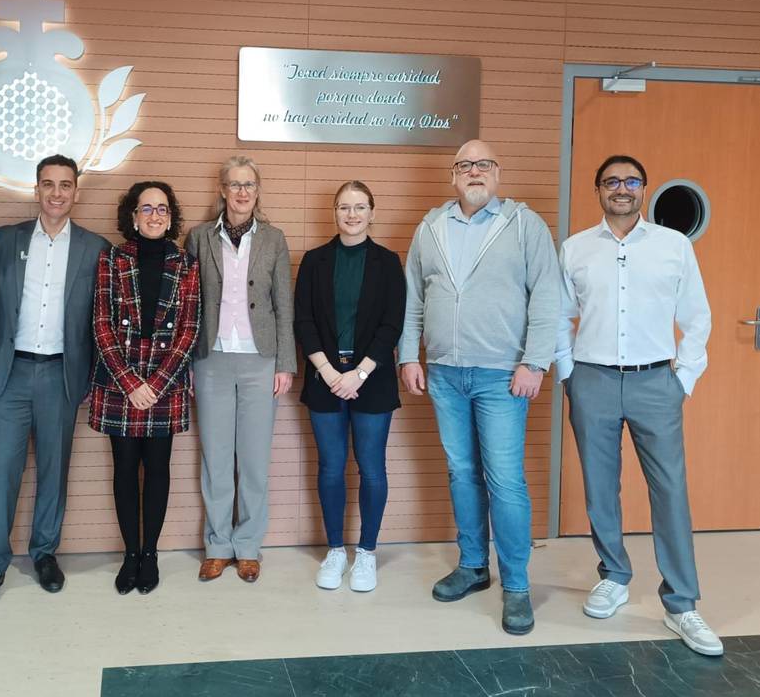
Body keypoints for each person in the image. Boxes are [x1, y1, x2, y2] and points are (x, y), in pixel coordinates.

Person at [556, 154, 721, 656]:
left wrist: (683, 379)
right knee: (600, 487)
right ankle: (614, 575)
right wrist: (568, 374)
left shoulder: (673, 246)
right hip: (593, 380)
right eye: (611, 182)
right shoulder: (575, 248)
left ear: (644, 188)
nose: (621, 189)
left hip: (656, 382)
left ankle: (682, 602)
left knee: (670, 490)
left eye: (630, 181)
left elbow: (698, 317)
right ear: (598, 190)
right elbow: (560, 316)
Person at [398, 139, 559, 635]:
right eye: (465, 165)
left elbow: (547, 296)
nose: (474, 172)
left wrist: (534, 363)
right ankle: (473, 566)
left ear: (498, 172)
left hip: (502, 376)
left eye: (484, 164)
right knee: (462, 472)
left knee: (505, 480)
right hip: (445, 373)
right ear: (453, 177)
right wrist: (408, 354)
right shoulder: (431, 227)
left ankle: (516, 585)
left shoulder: (524, 224)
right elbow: (413, 299)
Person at [0, 155, 109, 609]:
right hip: (10, 374)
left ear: (75, 191)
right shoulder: (6, 240)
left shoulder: (95, 247)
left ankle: (44, 553)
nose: (56, 193)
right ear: (36, 189)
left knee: (54, 469)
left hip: (60, 375)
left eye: (65, 185)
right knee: (2, 472)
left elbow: (99, 319)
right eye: (47, 184)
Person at [185, 156, 296, 584]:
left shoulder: (274, 239)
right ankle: (217, 546)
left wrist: (285, 363)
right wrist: (189, 363)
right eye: (234, 184)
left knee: (253, 460)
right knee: (215, 459)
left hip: (259, 360)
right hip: (210, 359)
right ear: (222, 190)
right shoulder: (198, 238)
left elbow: (284, 306)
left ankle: (248, 547)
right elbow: (189, 302)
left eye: (249, 184)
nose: (242, 192)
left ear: (258, 190)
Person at [89, 181, 201, 595]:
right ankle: (129, 554)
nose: (155, 216)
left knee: (157, 471)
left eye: (163, 209)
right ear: (132, 216)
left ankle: (150, 554)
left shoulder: (186, 263)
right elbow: (100, 324)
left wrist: (154, 384)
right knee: (123, 471)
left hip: (163, 387)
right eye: (147, 208)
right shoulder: (111, 259)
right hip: (121, 385)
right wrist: (130, 382)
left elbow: (189, 330)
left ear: (170, 218)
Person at [294, 181, 405, 592]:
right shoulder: (314, 261)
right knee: (330, 467)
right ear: (334, 212)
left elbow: (392, 324)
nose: (352, 214)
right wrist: (327, 371)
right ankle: (336, 551)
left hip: (371, 381)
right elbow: (303, 321)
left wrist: (358, 374)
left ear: (372, 213)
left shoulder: (388, 262)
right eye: (344, 207)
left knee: (372, 468)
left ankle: (367, 554)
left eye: (360, 207)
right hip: (325, 377)